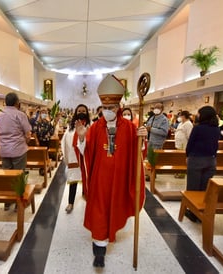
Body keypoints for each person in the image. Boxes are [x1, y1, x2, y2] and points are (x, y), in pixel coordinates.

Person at [75, 74, 148, 268]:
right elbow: (85, 150)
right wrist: (81, 139)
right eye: (105, 108)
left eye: (111, 108)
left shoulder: (130, 128)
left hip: (120, 180)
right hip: (100, 180)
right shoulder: (96, 127)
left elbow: (138, 151)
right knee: (99, 213)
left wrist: (142, 138)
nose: (108, 111)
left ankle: (109, 236)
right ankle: (99, 252)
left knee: (114, 209)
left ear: (118, 108)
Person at [0, 92, 32, 211]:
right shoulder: (20, 114)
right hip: (18, 150)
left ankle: (7, 202)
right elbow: (28, 132)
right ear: (17, 103)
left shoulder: (0, 114)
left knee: (7, 175)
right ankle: (18, 203)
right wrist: (26, 141)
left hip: (4, 149)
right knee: (19, 175)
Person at [184, 106, 220, 223]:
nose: (197, 115)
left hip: (196, 159)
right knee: (205, 188)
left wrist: (187, 156)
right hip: (211, 160)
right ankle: (202, 210)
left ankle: (193, 213)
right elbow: (215, 146)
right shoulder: (216, 129)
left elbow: (190, 144)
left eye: (198, 113)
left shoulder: (198, 128)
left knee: (193, 187)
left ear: (203, 115)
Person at [61, 104, 91, 214]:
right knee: (73, 180)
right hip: (74, 158)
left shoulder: (91, 126)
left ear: (87, 113)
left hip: (87, 159)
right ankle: (70, 203)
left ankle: (88, 199)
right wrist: (66, 157)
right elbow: (64, 141)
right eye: (79, 111)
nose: (81, 112)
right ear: (75, 113)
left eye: (83, 110)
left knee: (87, 180)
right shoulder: (71, 127)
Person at [145, 102, 169, 180]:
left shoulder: (164, 120)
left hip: (157, 142)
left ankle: (153, 175)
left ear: (162, 109)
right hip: (150, 140)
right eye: (155, 107)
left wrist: (151, 129)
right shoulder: (152, 117)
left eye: (158, 108)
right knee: (149, 158)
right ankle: (149, 173)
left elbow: (164, 132)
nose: (156, 109)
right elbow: (148, 125)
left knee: (154, 159)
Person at [174, 111, 193, 178]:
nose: (179, 117)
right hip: (178, 143)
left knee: (182, 159)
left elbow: (189, 135)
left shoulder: (188, 124)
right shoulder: (181, 123)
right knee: (178, 159)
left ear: (184, 116)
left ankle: (181, 173)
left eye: (180, 116)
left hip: (184, 144)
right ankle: (177, 171)